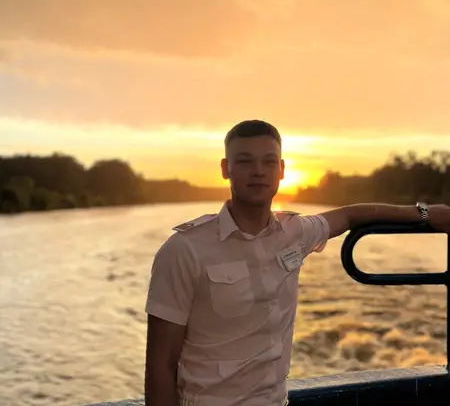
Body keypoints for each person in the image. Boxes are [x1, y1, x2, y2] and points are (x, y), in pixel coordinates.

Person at [144, 119, 450, 406]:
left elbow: (350, 214)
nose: (258, 171)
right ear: (226, 169)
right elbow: (161, 363)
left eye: (269, 162)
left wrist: (425, 214)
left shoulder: (294, 232)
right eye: (245, 161)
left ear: (282, 170)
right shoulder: (184, 250)